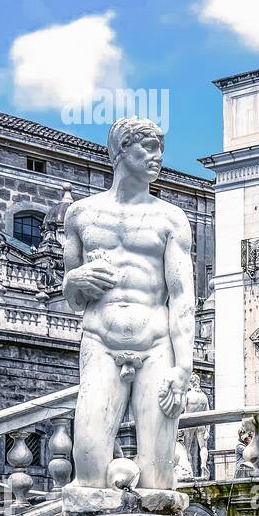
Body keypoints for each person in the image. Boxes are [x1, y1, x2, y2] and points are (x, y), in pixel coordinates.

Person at [61, 117, 195, 496]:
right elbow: (73, 297)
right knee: (87, 468)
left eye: (160, 150)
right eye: (147, 149)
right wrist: (73, 281)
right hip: (100, 340)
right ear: (120, 151)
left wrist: (183, 367)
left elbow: (183, 296)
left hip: (156, 345)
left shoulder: (170, 218)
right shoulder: (81, 215)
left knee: (158, 481)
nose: (157, 159)